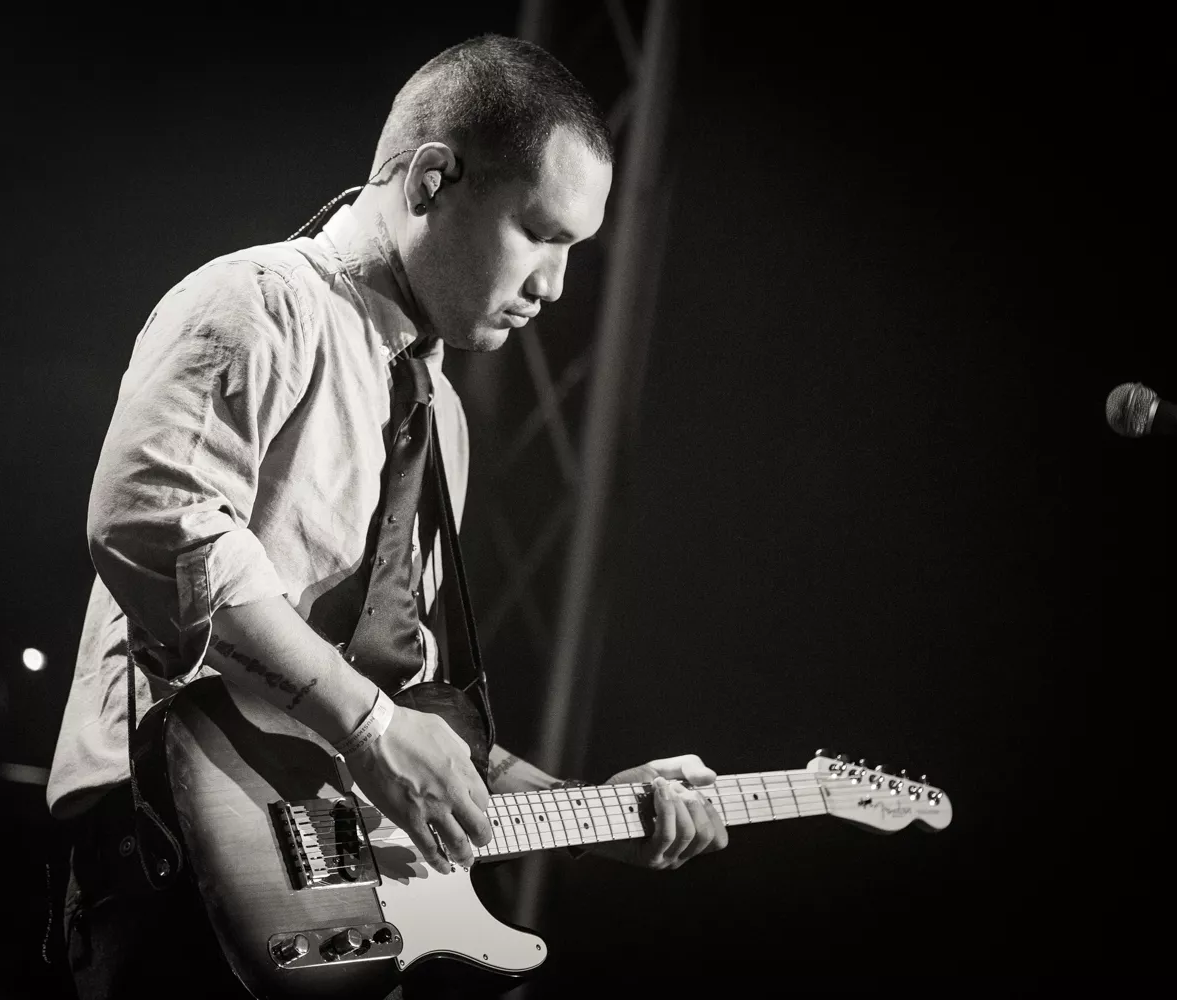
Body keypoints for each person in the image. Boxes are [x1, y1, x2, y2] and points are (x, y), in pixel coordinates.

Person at [46, 34, 728, 999]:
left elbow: (409, 710)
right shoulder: (261, 303)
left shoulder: (439, 415)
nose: (556, 286)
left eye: (575, 249)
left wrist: (592, 813)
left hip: (332, 908)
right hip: (177, 881)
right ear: (431, 179)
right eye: (541, 233)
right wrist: (370, 727)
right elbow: (153, 523)